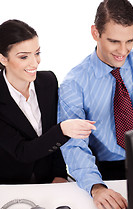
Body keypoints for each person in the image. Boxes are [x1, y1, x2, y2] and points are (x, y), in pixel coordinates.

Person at [58, 0, 133, 209]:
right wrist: (96, 187)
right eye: (114, 41)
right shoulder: (74, 83)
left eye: (130, 41)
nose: (123, 51)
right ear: (95, 33)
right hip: (106, 170)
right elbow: (74, 145)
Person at [0, 19, 96, 184]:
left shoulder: (48, 81)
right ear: (3, 59)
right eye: (24, 57)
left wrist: (59, 174)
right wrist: (62, 130)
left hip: (49, 180)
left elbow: (52, 133)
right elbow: (21, 151)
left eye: (37, 53)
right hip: (11, 186)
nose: (35, 62)